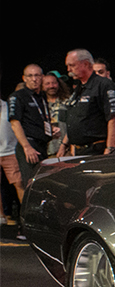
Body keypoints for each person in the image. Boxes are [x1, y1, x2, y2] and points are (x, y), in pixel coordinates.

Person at [58, 49, 115, 156]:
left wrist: (110, 148)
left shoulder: (103, 85)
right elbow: (76, 119)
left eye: (72, 65)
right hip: (77, 150)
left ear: (86, 64)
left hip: (96, 150)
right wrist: (64, 145)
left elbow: (113, 118)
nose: (69, 70)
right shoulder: (79, 87)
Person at [8, 62, 53, 196]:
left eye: (37, 75)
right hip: (29, 146)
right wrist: (26, 147)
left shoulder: (42, 96)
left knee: (44, 182)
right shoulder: (17, 96)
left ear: (42, 77)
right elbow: (15, 123)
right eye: (30, 76)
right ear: (24, 78)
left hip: (42, 145)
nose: (34, 79)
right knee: (31, 183)